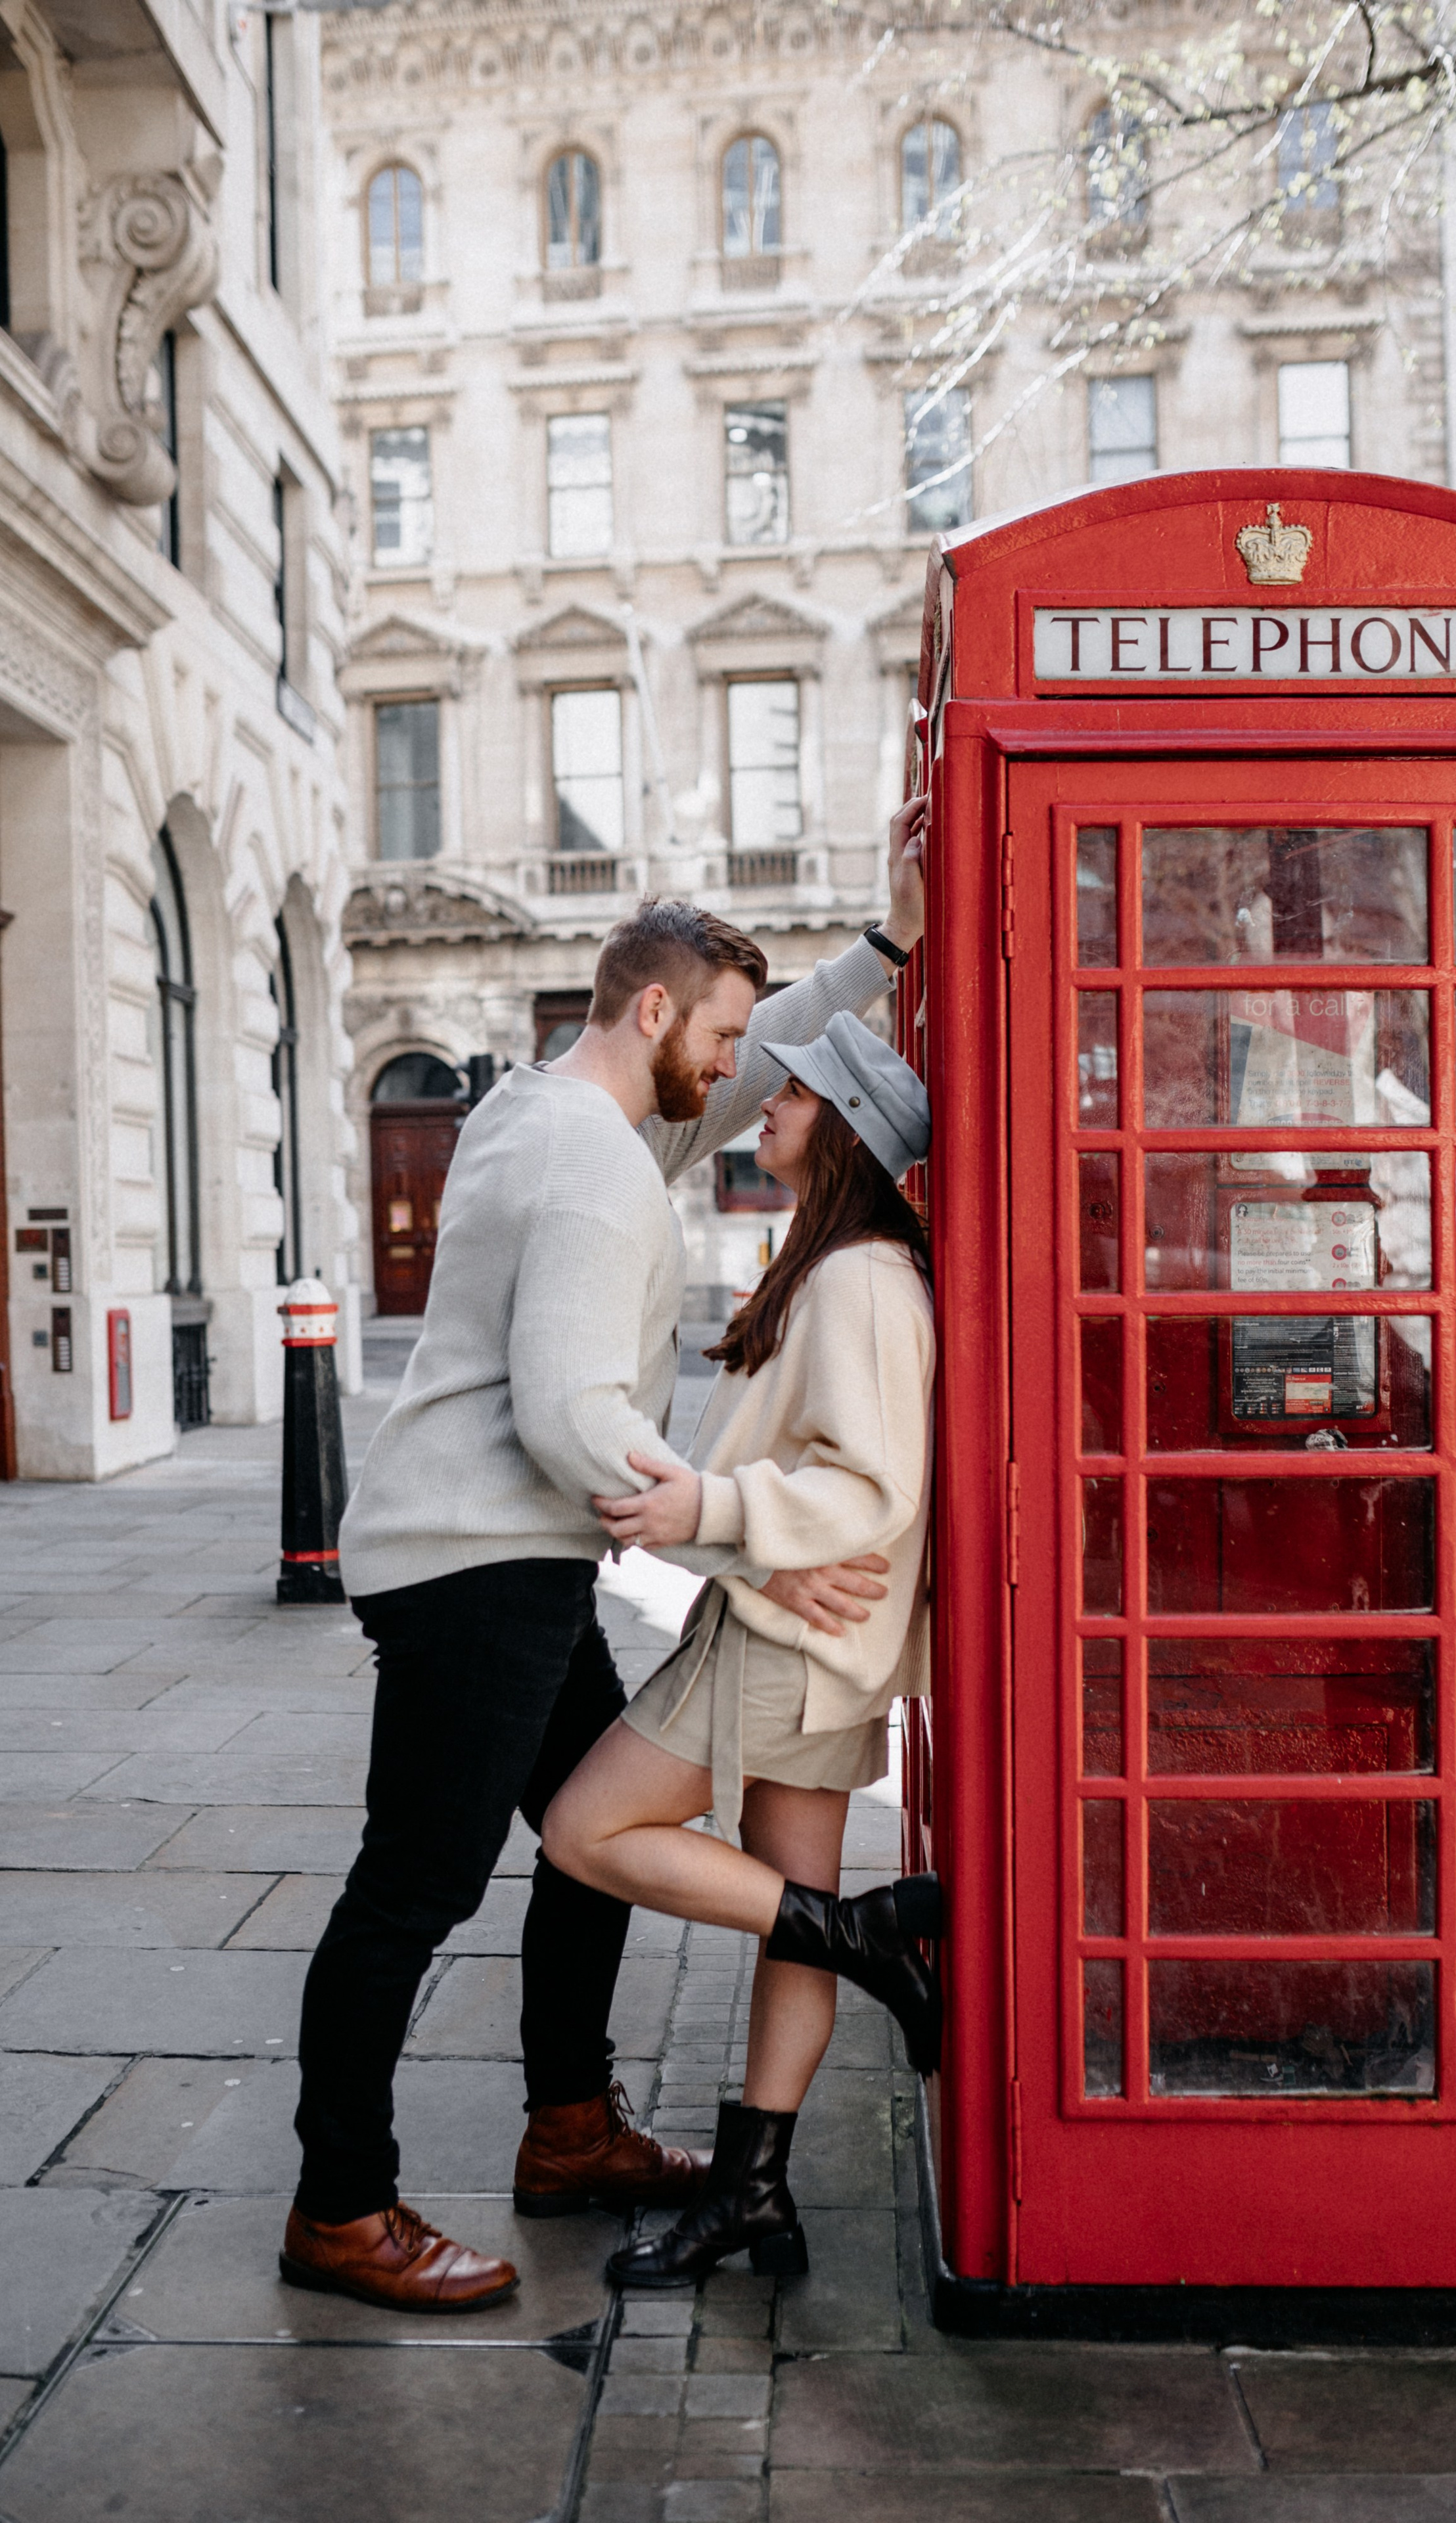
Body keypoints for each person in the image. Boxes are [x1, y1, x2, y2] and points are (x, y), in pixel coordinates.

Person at [278, 803, 926, 2315]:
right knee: (411, 1892)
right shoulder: (592, 1169)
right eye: (716, 1030)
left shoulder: (557, 1109)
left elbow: (774, 1072)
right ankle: (341, 2206)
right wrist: (746, 1540)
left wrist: (881, 951)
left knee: (585, 1839)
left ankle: (569, 2130)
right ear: (652, 1014)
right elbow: (571, 1419)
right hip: (477, 1571)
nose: (737, 1063)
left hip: (507, 1558)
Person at [542, 1010, 940, 2288]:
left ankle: (861, 1932)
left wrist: (709, 1513)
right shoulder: (829, 1266)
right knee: (794, 1929)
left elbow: (871, 1486)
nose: (767, 1100)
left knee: (585, 1830)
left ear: (847, 1133)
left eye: (798, 1092)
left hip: (785, 1642)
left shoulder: (859, 1279)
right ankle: (754, 2194)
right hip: (802, 1633)